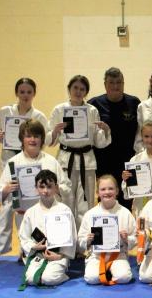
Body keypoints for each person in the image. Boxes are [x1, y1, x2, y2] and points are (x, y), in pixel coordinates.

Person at [0, 120, 71, 266]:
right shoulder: (13, 163)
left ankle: (55, 251)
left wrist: (58, 189)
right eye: (28, 136)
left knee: (47, 251)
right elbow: (0, 191)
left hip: (47, 214)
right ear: (22, 139)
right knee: (6, 208)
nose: (32, 140)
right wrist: (7, 189)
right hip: (23, 214)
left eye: (36, 136)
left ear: (41, 139)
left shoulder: (51, 161)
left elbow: (66, 187)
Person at [0, 78, 49, 265]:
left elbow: (45, 139)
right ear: (17, 93)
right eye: (22, 92)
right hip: (11, 161)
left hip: (32, 163)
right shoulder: (5, 112)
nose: (25, 95)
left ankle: (25, 249)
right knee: (8, 207)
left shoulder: (38, 115)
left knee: (28, 207)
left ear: (34, 94)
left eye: (28, 92)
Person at [47, 75, 111, 225]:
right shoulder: (59, 110)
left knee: (86, 201)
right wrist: (55, 131)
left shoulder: (91, 110)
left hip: (86, 160)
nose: (78, 91)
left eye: (82, 89)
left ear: (86, 92)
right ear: (69, 89)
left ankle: (84, 241)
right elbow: (50, 141)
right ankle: (66, 239)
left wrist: (106, 131)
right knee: (64, 199)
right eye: (75, 87)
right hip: (65, 159)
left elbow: (98, 141)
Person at [88, 67, 141, 209]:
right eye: (111, 82)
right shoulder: (93, 104)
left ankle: (126, 231)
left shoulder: (134, 103)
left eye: (119, 82)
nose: (115, 86)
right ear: (105, 84)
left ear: (123, 83)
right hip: (104, 163)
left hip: (128, 162)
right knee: (106, 201)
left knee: (128, 201)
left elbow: (141, 132)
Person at [17, 170, 76, 289]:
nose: (45, 191)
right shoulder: (30, 212)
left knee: (49, 279)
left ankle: (63, 273)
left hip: (58, 253)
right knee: (30, 279)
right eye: (42, 187)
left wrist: (61, 256)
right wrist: (33, 247)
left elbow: (72, 237)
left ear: (56, 188)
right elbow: (24, 237)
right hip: (38, 253)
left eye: (49, 187)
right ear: (36, 188)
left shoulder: (64, 210)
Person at [78, 175, 136, 285]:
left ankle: (111, 271)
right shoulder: (90, 214)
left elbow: (135, 236)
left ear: (117, 191)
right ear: (97, 193)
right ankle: (103, 271)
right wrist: (88, 240)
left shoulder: (125, 213)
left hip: (118, 255)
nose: (107, 192)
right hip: (96, 256)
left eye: (111, 188)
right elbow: (80, 240)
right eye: (103, 189)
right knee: (92, 279)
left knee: (124, 278)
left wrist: (127, 238)